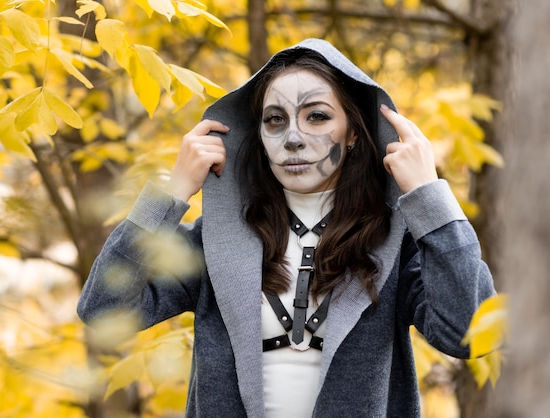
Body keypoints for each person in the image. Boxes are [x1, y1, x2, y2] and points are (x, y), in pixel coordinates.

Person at [77, 38, 496, 417]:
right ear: (257, 134)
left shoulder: (394, 243)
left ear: (352, 133)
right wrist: (171, 195)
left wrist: (429, 197)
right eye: (275, 120)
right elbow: (104, 309)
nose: (293, 138)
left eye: (316, 117)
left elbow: (468, 334)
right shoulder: (217, 240)